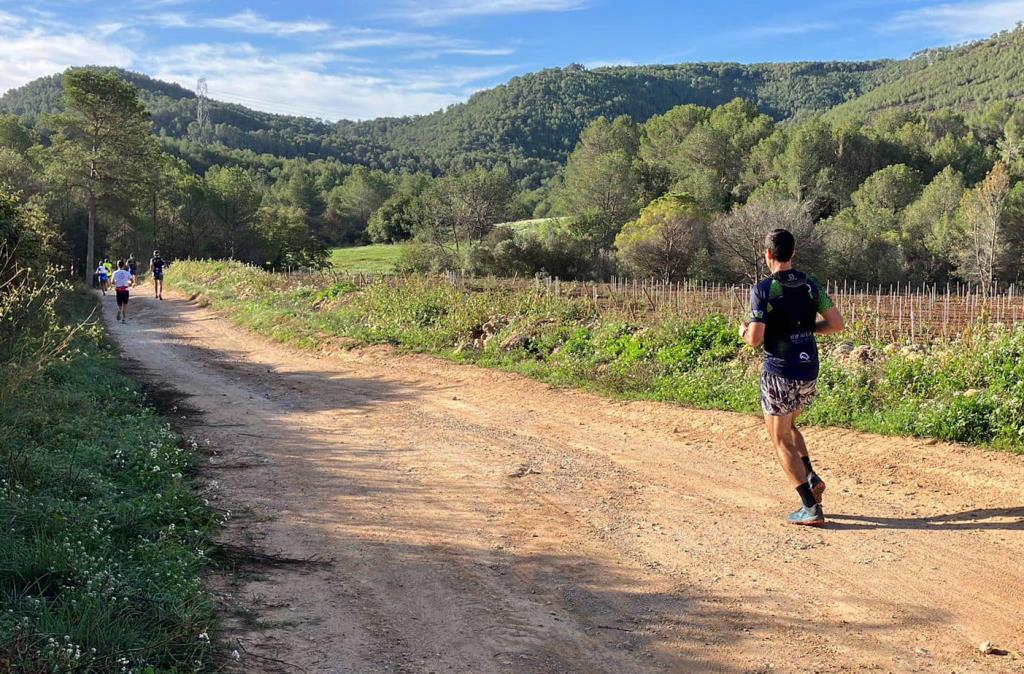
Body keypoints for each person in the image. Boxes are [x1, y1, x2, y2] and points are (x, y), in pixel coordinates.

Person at [739, 229, 845, 526]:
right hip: (809, 368)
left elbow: (756, 339)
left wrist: (744, 331)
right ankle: (810, 476)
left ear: (768, 255)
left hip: (780, 371)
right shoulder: (811, 285)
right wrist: (810, 330)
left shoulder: (764, 289)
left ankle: (810, 507)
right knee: (791, 424)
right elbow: (837, 324)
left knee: (779, 438)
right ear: (793, 253)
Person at [112, 260, 133, 324]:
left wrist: (116, 283)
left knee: (119, 304)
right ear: (124, 265)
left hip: (118, 290)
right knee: (125, 304)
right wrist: (129, 283)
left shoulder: (115, 273)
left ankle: (119, 310)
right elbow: (132, 281)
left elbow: (112, 282)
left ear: (118, 265)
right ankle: (124, 319)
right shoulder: (127, 272)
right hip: (125, 289)